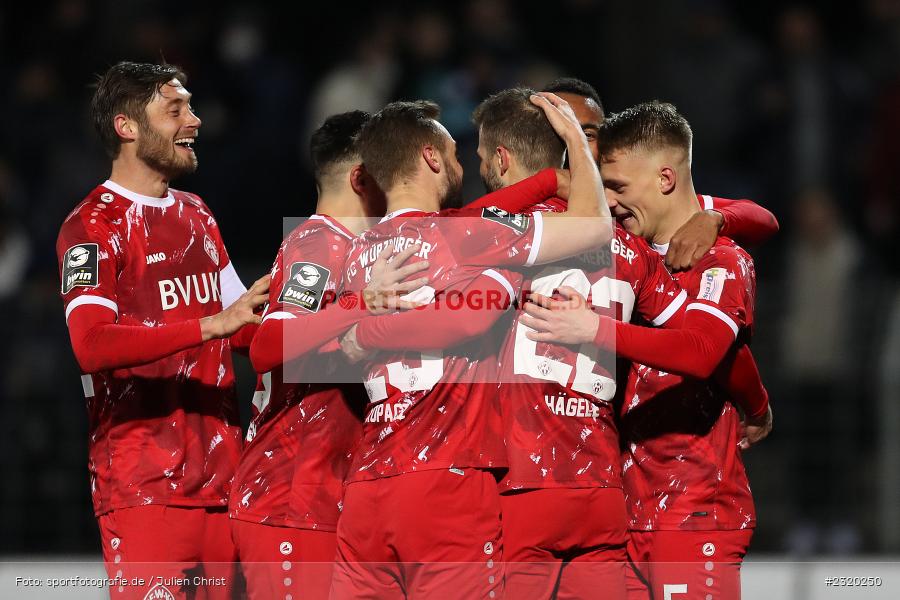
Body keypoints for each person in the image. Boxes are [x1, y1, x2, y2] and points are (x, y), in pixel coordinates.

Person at [330, 93, 610, 599]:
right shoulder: (469, 235)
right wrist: (572, 136)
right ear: (431, 157)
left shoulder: (352, 256)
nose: (466, 167)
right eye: (456, 154)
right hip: (446, 477)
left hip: (368, 485)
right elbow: (593, 225)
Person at [522, 101, 770, 600]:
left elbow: (702, 351)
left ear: (665, 178)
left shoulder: (722, 259)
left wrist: (592, 328)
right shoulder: (623, 249)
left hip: (693, 512)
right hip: (624, 515)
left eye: (618, 187)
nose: (609, 202)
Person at [56, 61, 268, 600]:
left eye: (190, 107)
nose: (194, 121)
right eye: (175, 110)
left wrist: (350, 320)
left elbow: (245, 330)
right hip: (143, 486)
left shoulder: (198, 214)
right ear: (127, 126)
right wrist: (210, 325)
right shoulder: (92, 225)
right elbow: (91, 344)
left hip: (225, 481)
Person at [541, 77, 780, 271]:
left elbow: (764, 219)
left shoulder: (622, 203)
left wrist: (713, 218)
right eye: (558, 133)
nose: (574, 146)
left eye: (587, 135)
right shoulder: (525, 210)